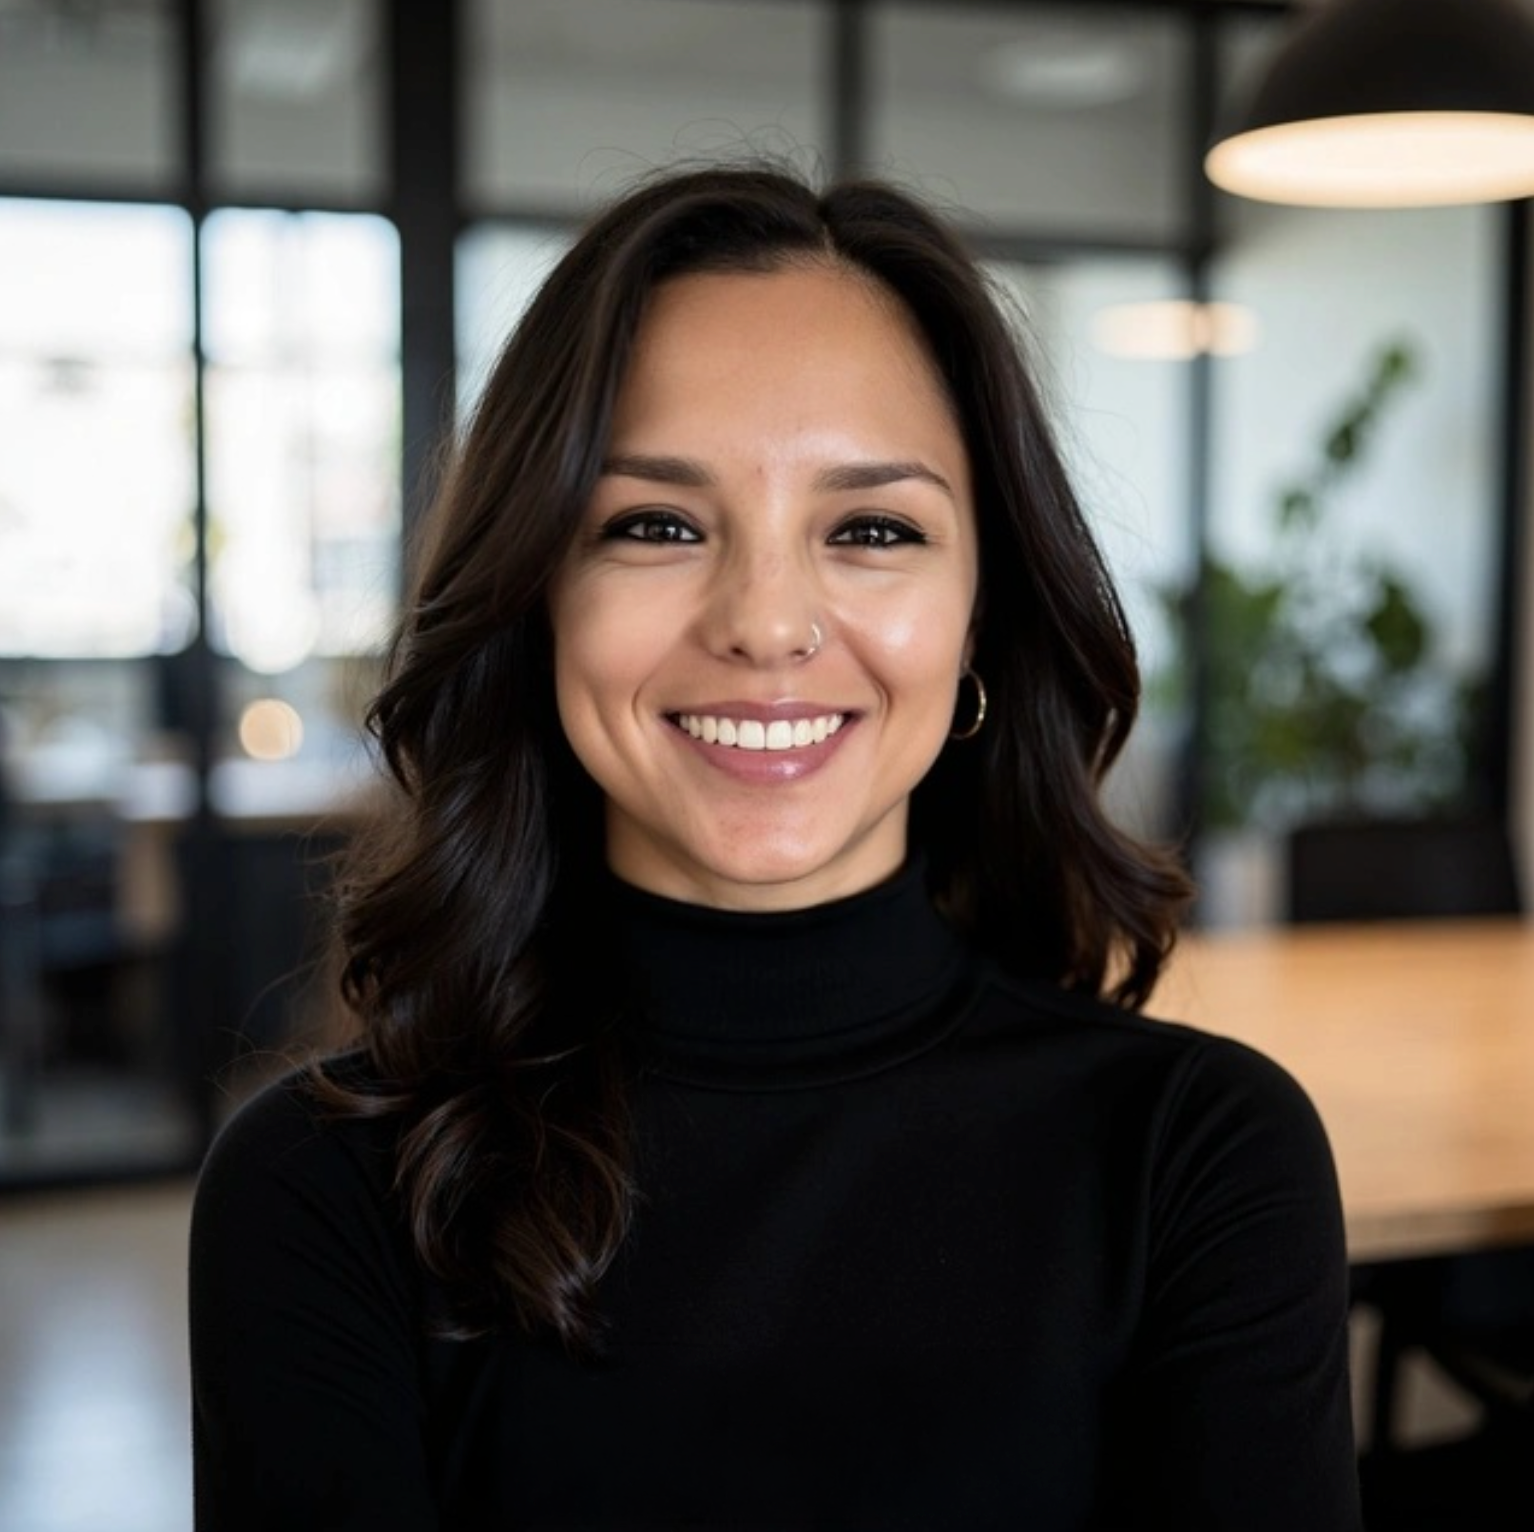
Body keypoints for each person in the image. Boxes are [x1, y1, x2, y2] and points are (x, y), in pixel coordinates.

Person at [188, 161, 1363, 1530]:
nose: (764, 622)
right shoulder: (319, 1191)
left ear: (982, 611)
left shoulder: (1196, 1156)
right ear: (535, 600)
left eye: (871, 528)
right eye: (655, 525)